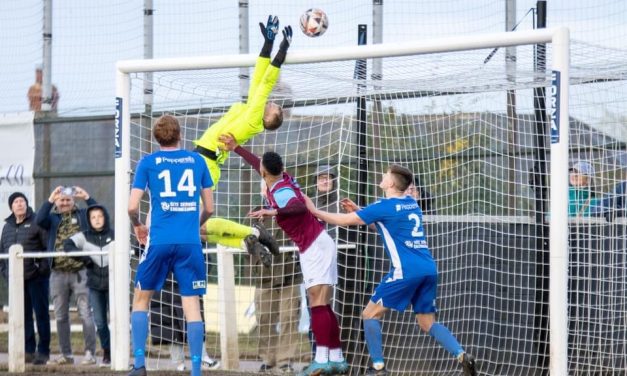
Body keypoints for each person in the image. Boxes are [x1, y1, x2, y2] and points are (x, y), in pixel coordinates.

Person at [304, 164, 477, 376]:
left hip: (405, 270)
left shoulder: (384, 205)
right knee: (427, 323)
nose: (382, 176)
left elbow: (345, 221)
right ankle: (461, 355)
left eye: (385, 175)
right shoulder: (411, 203)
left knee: (369, 315)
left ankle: (378, 368)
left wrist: (313, 211)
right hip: (428, 269)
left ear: (391, 183)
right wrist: (360, 211)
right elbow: (385, 226)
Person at [219, 133, 348, 376]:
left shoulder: (279, 191)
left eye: (261, 169)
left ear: (265, 173)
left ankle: (321, 359)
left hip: (314, 248)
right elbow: (259, 162)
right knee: (324, 303)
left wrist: (271, 211)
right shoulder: (282, 178)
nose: (259, 170)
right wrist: (236, 148)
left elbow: (297, 207)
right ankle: (336, 357)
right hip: (318, 243)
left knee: (317, 303)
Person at [194, 16, 291, 255]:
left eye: (274, 107)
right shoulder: (252, 111)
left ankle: (254, 235)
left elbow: (267, 82)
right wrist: (268, 43)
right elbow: (259, 75)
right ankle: (250, 239)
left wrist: (282, 49)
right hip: (204, 160)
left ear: (269, 118)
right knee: (197, 229)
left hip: (206, 162)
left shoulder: (254, 117)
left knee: (196, 224)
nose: (272, 103)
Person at [127, 114, 214, 376]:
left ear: (156, 137)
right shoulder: (197, 161)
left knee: (141, 300)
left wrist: (138, 224)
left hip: (160, 241)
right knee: (192, 307)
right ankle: (196, 371)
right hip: (190, 243)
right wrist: (194, 225)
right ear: (180, 135)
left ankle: (140, 365)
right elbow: (210, 208)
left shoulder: (148, 163)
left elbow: (132, 206)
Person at [35, 185, 98, 366]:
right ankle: (66, 354)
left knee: (85, 313)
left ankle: (89, 353)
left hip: (81, 272)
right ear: (57, 201)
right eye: (61, 200)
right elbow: (39, 220)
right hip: (57, 274)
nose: (64, 203)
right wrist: (50, 199)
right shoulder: (52, 218)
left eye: (68, 200)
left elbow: (97, 216)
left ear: (73, 201)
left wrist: (86, 196)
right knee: (61, 315)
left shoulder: (83, 216)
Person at [247, 181, 304, 374]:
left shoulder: (292, 209)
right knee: (264, 318)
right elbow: (248, 242)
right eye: (265, 186)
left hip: (290, 273)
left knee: (289, 318)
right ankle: (267, 359)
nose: (268, 189)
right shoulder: (255, 212)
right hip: (265, 274)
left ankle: (285, 360)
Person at [0, 192, 51, 365]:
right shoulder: (6, 227)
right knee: (23, 316)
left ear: (26, 204)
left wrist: (41, 270)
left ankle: (43, 351)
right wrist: (7, 273)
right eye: (16, 202)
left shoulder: (37, 222)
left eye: (22, 201)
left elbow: (47, 249)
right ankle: (28, 350)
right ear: (11, 206)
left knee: (41, 315)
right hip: (16, 282)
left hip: (37, 279)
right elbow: (2, 255)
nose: (19, 204)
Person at [63, 204, 112, 367]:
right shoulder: (83, 236)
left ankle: (122, 350)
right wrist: (85, 259)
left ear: (105, 217)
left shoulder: (115, 234)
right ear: (89, 220)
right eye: (93, 217)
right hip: (95, 286)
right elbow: (67, 245)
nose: (97, 220)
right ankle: (107, 352)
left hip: (114, 286)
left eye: (100, 216)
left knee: (119, 319)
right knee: (100, 322)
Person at [149, 277, 221, 372]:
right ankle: (179, 363)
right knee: (169, 323)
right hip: (163, 281)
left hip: (186, 276)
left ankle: (202, 357)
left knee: (194, 315)